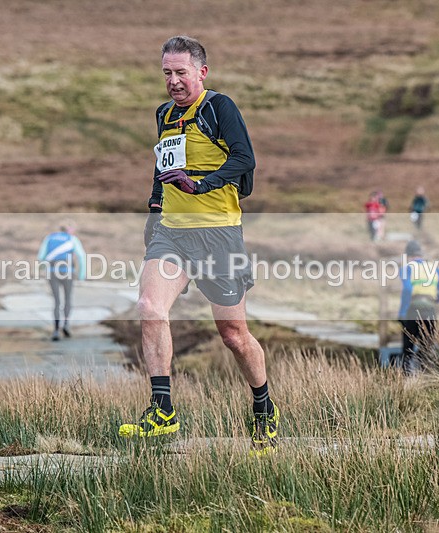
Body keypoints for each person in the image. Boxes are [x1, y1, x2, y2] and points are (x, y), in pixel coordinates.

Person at [119, 35, 279, 456]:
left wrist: (201, 184)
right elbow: (162, 166)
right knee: (149, 308)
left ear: (201, 73)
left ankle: (263, 408)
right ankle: (162, 410)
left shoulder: (218, 108)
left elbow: (245, 159)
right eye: (167, 73)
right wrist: (155, 211)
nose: (173, 81)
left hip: (220, 233)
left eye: (181, 73)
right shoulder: (165, 114)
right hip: (173, 232)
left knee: (233, 334)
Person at [398, 240, 439, 375]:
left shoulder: (407, 269)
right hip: (430, 309)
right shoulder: (434, 269)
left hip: (413, 309)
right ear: (421, 254)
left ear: (408, 256)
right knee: (426, 346)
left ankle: (407, 378)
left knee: (408, 347)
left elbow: (408, 290)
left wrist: (402, 313)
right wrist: (432, 300)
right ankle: (426, 377)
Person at [37, 223, 86, 341]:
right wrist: (81, 274)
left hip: (52, 271)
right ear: (70, 230)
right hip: (67, 271)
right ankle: (66, 325)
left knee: (57, 301)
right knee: (68, 298)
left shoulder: (49, 238)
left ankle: (55, 330)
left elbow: (41, 257)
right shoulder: (72, 239)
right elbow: (81, 256)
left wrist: (43, 268)